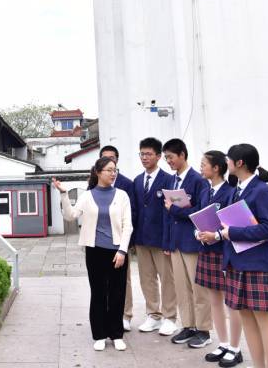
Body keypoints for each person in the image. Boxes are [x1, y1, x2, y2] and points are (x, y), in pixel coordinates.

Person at [53, 156, 133, 352]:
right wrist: (63, 194)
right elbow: (70, 216)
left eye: (115, 170)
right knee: (98, 293)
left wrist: (122, 250)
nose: (113, 173)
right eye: (109, 170)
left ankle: (116, 334)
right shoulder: (87, 196)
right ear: (98, 173)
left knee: (117, 293)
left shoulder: (122, 195)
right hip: (95, 251)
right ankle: (99, 334)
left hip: (117, 252)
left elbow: (127, 226)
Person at [220, 144, 268, 368]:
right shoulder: (237, 189)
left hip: (259, 265)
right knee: (248, 321)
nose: (225, 163)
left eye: (228, 159)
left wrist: (233, 232)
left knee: (265, 322)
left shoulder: (262, 191)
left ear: (240, 163)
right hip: (238, 263)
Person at [162, 138, 213, 348]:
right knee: (181, 287)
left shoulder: (198, 180)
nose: (169, 162)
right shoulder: (173, 181)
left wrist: (175, 209)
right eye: (166, 158)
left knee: (198, 287)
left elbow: (200, 212)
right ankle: (188, 325)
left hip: (192, 242)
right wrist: (167, 242)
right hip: (176, 243)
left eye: (171, 157)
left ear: (182, 154)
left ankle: (203, 329)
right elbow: (168, 216)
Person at [195, 151, 243, 366]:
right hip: (207, 251)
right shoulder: (206, 191)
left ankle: (235, 347)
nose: (201, 167)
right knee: (214, 299)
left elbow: (233, 223)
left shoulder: (230, 192)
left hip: (224, 252)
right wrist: (197, 233)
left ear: (216, 168)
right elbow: (197, 217)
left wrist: (215, 235)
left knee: (231, 303)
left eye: (204, 164)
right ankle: (223, 343)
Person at [131, 137, 178, 337]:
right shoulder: (136, 181)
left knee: (167, 279)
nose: (144, 157)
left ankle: (170, 317)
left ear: (158, 156)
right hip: (142, 239)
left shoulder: (170, 180)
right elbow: (135, 211)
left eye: (148, 154)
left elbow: (172, 213)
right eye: (142, 154)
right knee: (146, 279)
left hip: (161, 239)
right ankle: (153, 314)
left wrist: (169, 240)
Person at [99, 144, 136, 332]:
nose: (110, 161)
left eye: (112, 158)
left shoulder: (127, 184)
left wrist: (127, 243)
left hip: (120, 241)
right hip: (100, 242)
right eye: (105, 158)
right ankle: (106, 314)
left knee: (124, 280)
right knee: (102, 280)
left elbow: (131, 215)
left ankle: (125, 314)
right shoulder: (94, 183)